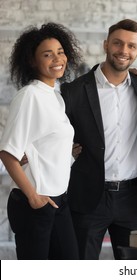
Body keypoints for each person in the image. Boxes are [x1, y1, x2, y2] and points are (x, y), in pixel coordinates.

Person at [60, 19, 137, 260]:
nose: (124, 51)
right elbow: (56, 132)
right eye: (118, 43)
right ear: (106, 44)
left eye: (131, 46)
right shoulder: (73, 91)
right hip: (88, 196)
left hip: (133, 199)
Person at [0, 22, 82, 259]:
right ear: (32, 61)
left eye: (60, 52)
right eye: (47, 54)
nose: (57, 58)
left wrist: (69, 155)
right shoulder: (30, 96)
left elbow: (43, 145)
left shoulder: (55, 95)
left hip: (58, 200)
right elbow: (7, 153)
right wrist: (34, 197)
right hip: (34, 204)